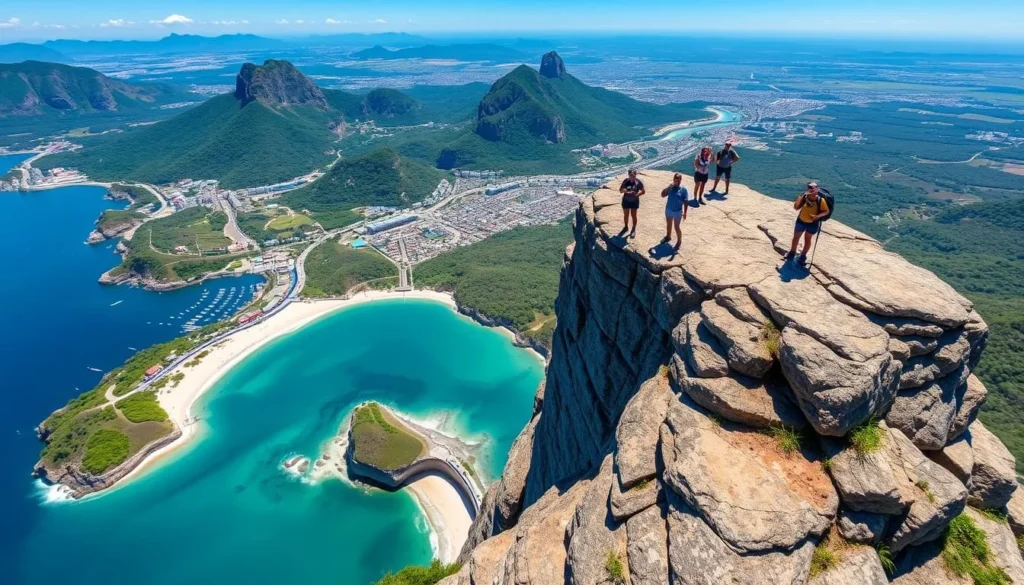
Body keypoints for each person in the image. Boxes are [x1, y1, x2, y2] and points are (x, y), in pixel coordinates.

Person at [785, 182, 829, 266]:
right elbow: (796, 207)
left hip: (813, 223)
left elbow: (826, 211)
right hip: (801, 221)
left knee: (807, 240)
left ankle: (802, 257)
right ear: (807, 188)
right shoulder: (804, 197)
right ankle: (792, 253)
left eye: (814, 187)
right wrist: (802, 196)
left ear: (817, 188)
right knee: (796, 238)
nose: (812, 189)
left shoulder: (820, 200)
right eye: (810, 187)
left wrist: (817, 216)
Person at [661, 172, 688, 247]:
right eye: (676, 180)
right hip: (669, 210)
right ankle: (668, 237)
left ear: (681, 180)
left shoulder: (683, 190)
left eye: (679, 180)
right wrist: (668, 187)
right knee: (669, 224)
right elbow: (662, 195)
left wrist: (685, 212)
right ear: (673, 180)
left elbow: (686, 202)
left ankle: (679, 240)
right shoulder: (670, 188)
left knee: (676, 227)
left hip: (677, 212)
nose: (677, 181)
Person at [619, 168, 645, 237]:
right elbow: (620, 190)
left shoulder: (638, 182)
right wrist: (624, 191)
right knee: (626, 215)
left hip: (634, 201)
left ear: (636, 175)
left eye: (634, 175)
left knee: (633, 215)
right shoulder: (626, 181)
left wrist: (637, 195)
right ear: (629, 175)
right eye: (631, 175)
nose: (633, 177)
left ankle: (633, 229)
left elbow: (643, 191)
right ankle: (626, 227)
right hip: (626, 201)